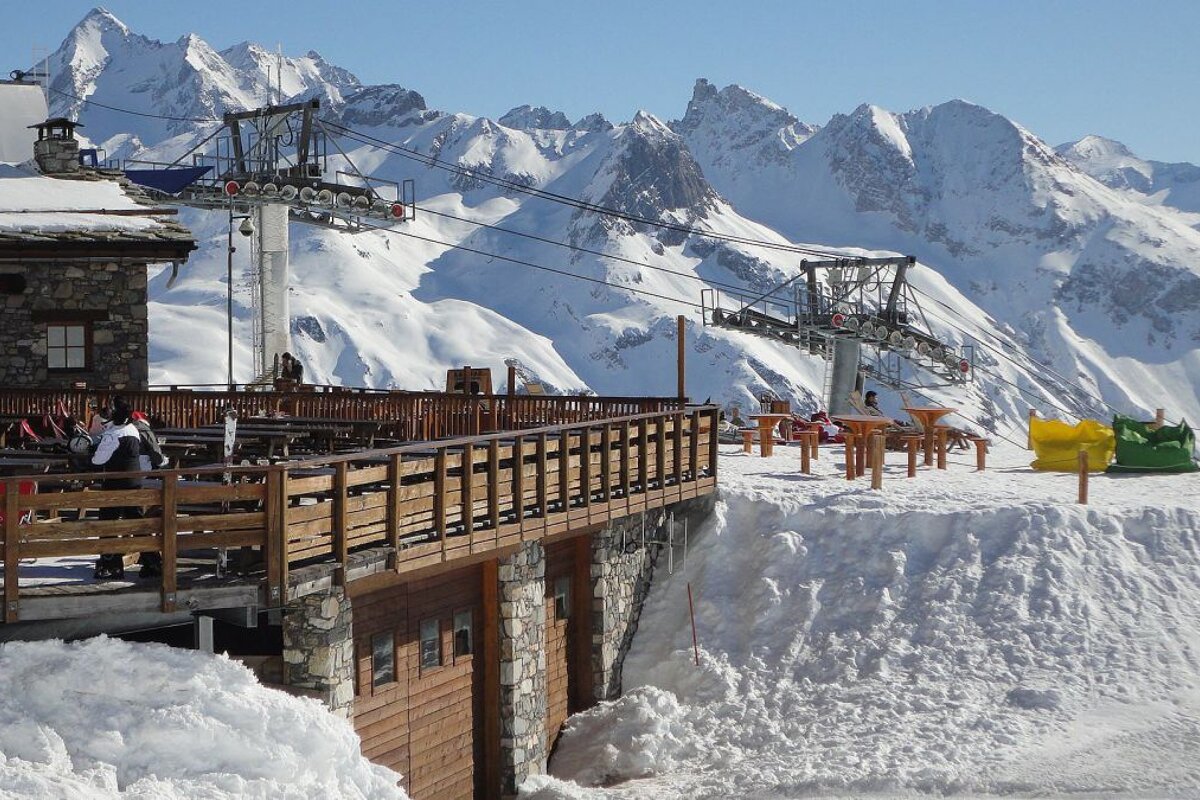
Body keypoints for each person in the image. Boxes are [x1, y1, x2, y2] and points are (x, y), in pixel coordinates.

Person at [90, 398, 143, 579]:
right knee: (137, 522)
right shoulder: (133, 430)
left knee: (108, 523)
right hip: (134, 482)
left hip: (115, 484)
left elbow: (98, 460)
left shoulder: (113, 434)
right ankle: (152, 561)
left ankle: (111, 565)